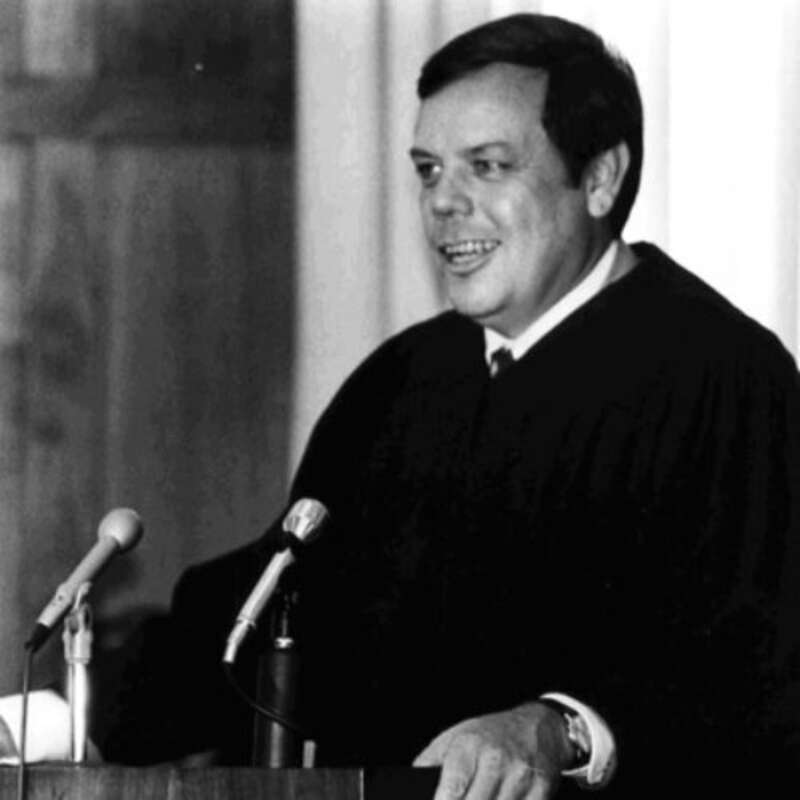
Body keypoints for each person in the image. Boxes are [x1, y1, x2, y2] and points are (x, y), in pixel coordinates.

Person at [90, 11, 800, 798]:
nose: (443, 204)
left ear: (600, 178)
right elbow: (274, 609)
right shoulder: (404, 381)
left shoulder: (724, 378)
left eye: (488, 167)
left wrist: (561, 728)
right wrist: (66, 714)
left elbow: (752, 674)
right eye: (429, 170)